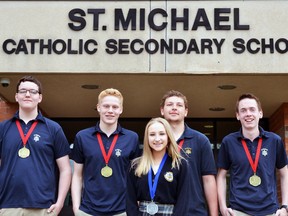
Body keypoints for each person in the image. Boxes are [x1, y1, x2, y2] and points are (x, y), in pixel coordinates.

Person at [0, 75, 72, 216]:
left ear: (40, 98)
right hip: (8, 206)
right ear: (16, 96)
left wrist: (60, 203)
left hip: (44, 207)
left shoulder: (53, 128)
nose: (27, 94)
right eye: (23, 91)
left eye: (33, 91)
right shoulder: (3, 128)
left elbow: (65, 169)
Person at [71, 88, 140, 216]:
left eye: (115, 107)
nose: (110, 111)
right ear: (98, 108)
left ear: (121, 109)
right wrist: (76, 207)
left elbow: (136, 176)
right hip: (88, 210)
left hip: (122, 211)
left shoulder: (132, 138)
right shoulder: (82, 136)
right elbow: (77, 175)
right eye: (106, 106)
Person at [217, 93, 288, 216]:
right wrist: (222, 206)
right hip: (238, 211)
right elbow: (221, 176)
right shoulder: (228, 142)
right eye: (243, 111)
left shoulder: (274, 140)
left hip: (270, 211)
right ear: (238, 116)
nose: (248, 114)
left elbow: (285, 174)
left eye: (252, 109)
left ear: (260, 113)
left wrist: (285, 206)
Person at [160, 90, 218, 216]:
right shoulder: (155, 140)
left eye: (179, 105)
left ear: (186, 112)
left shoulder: (200, 140)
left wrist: (214, 214)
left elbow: (208, 180)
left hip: (193, 211)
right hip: (161, 210)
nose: (174, 108)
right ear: (162, 111)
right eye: (170, 104)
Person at [126, 117, 191, 215]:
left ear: (168, 136)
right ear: (147, 138)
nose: (157, 139)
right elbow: (130, 200)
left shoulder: (180, 164)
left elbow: (183, 200)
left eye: (162, 134)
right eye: (152, 134)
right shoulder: (135, 165)